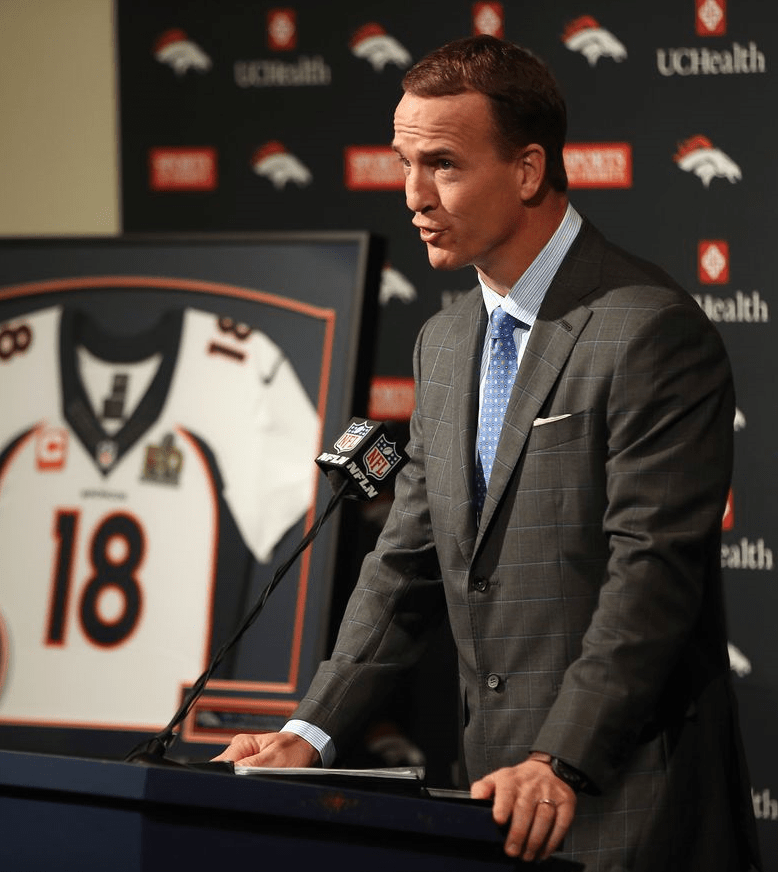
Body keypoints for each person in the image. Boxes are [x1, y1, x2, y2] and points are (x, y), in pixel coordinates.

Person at [215, 35, 762, 872]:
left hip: (629, 804)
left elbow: (651, 577)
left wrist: (559, 760)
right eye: (404, 163)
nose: (413, 194)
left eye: (442, 164)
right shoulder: (443, 341)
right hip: (492, 805)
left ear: (529, 169)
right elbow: (405, 564)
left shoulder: (648, 328)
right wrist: (309, 731)